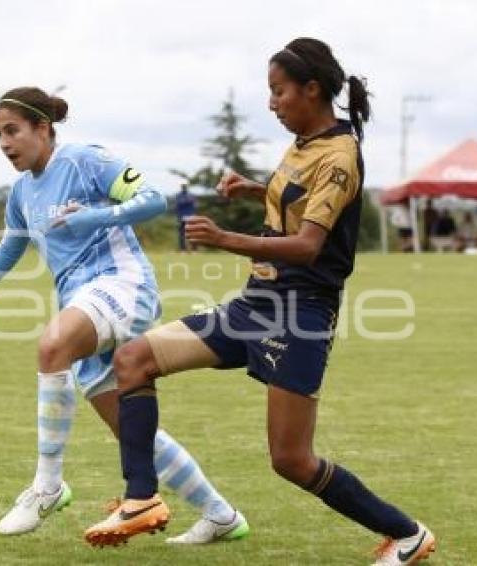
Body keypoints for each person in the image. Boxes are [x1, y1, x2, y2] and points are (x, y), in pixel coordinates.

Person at [84, 38, 436, 566]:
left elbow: (308, 245)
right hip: (254, 306)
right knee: (133, 359)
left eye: (278, 91)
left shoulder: (340, 155)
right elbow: (293, 195)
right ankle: (140, 498)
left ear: (311, 89)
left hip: (301, 317)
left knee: (292, 460)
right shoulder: (302, 143)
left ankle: (408, 534)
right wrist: (255, 190)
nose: (271, 102)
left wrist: (225, 237)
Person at [0, 86, 247, 544]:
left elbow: (154, 198)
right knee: (132, 431)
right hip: (82, 303)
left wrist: (93, 219)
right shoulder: (21, 192)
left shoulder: (84, 160)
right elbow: (9, 249)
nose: (4, 143)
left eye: (13, 130)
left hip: (122, 284)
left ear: (43, 128)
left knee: (52, 345)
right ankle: (221, 515)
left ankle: (47, 487)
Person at [175, 184, 197, 252]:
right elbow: (178, 205)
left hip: (191, 216)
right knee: (182, 234)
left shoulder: (191, 195)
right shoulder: (179, 195)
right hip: (182, 217)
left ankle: (193, 250)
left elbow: (194, 205)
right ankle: (183, 249)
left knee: (193, 234)